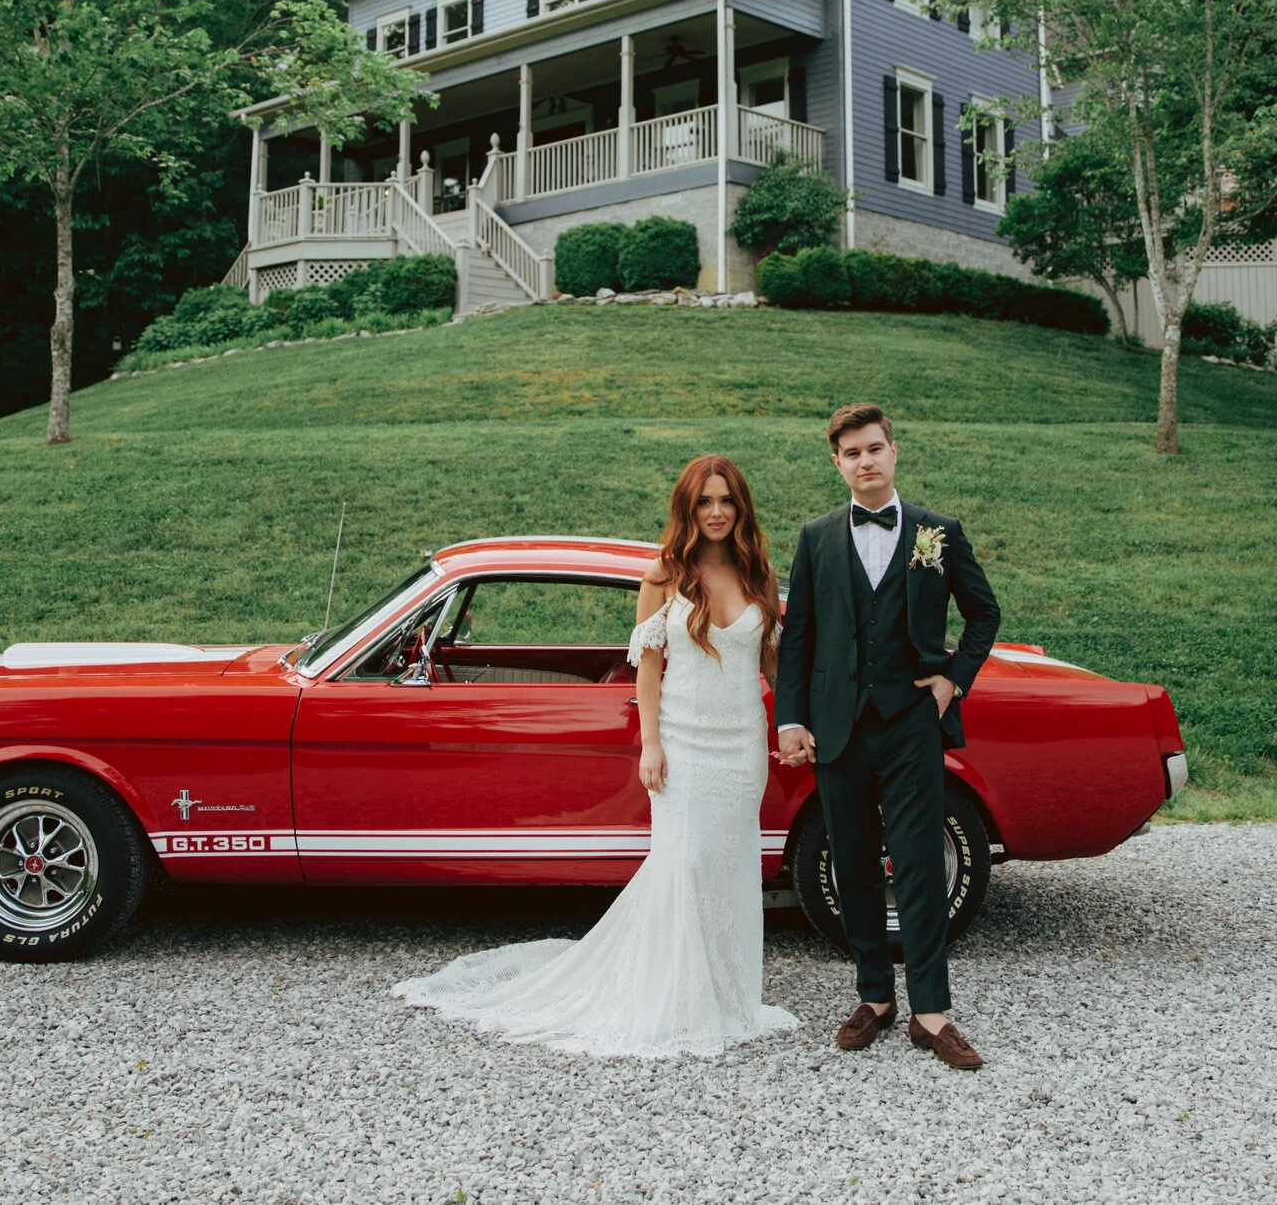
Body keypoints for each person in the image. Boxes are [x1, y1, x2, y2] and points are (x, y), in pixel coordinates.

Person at [392, 455, 798, 1057]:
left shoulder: (758, 573)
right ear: (688, 509)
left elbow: (773, 665)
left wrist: (796, 719)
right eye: (705, 502)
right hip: (684, 744)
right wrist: (652, 745)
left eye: (727, 501)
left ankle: (729, 997)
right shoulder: (664, 574)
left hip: (742, 744)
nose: (716, 512)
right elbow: (650, 667)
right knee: (683, 864)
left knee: (730, 867)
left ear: (741, 508)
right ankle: (676, 1000)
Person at [775, 403, 999, 1070]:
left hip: (909, 725)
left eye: (874, 448)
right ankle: (874, 996)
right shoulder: (816, 537)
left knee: (921, 864)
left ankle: (931, 1011)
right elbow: (800, 640)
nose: (865, 460)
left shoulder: (938, 532)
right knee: (852, 865)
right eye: (852, 452)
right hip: (838, 728)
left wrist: (952, 679)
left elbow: (984, 612)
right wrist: (792, 719)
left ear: (893, 452)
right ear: (836, 463)